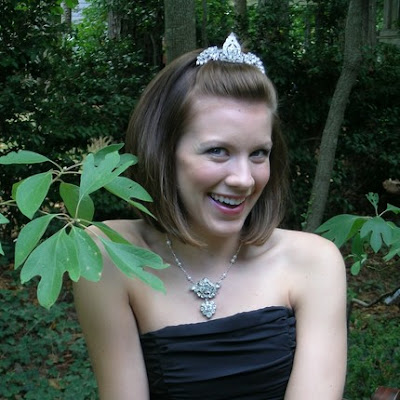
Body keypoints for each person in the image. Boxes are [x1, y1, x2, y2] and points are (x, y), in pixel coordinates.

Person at [73, 33, 347, 400]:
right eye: (218, 151)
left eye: (258, 153)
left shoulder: (314, 262)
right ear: (163, 152)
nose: (244, 179)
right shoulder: (110, 254)